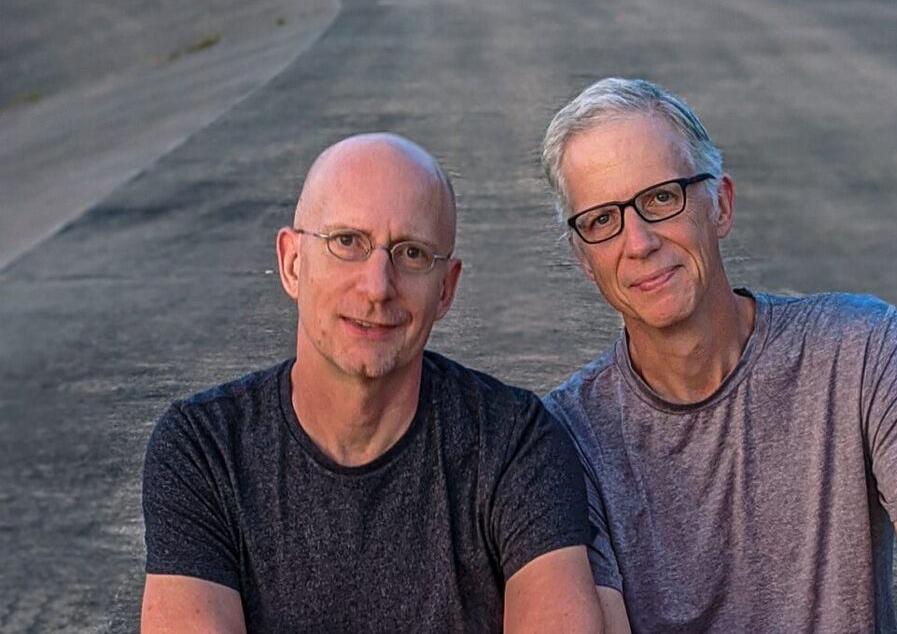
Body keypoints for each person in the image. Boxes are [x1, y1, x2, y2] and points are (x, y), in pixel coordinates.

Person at [539, 78, 897, 633]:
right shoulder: (563, 437)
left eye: (661, 197)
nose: (638, 242)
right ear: (582, 259)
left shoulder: (860, 348)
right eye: (602, 220)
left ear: (721, 204)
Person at [141, 133, 603, 633]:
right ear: (292, 262)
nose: (377, 286)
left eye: (411, 253)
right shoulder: (205, 450)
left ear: (445, 289)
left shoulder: (515, 443)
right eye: (347, 242)